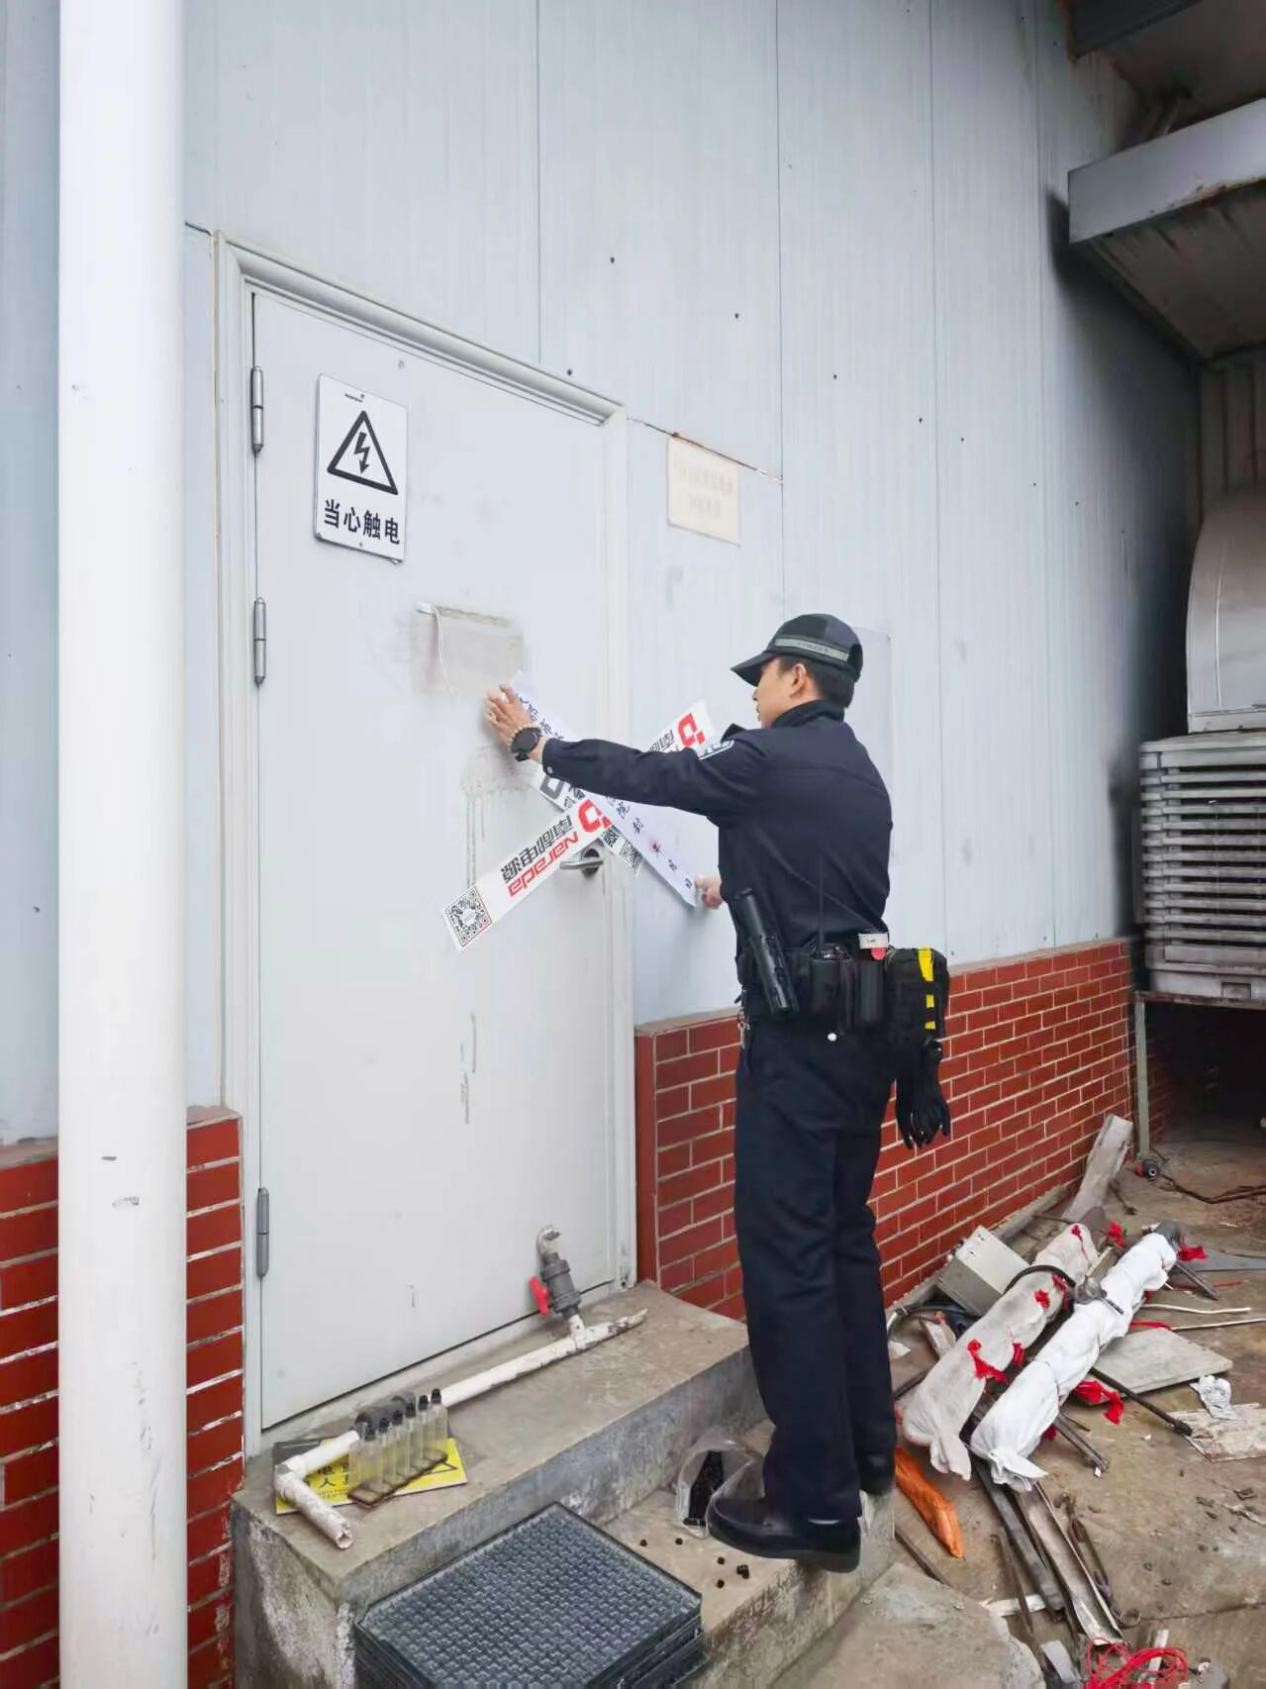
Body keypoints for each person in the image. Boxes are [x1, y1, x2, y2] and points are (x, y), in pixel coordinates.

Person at [486, 613, 896, 1574]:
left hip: (797, 1053)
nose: (753, 692)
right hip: (866, 1042)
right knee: (844, 1241)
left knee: (789, 1263)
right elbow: (818, 884)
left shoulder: (766, 759)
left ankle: (817, 1508)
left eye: (764, 675)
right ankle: (867, 1452)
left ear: (798, 679)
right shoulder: (859, 774)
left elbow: (653, 775)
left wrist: (540, 746)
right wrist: (734, 883)